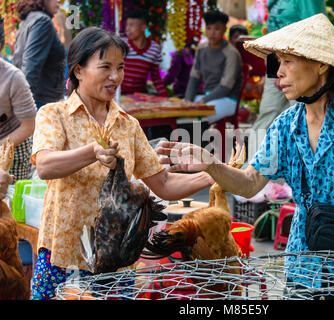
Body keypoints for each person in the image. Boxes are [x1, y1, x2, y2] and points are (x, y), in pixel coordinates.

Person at [157, 14, 334, 299]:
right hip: (306, 258)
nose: (279, 72)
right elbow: (250, 183)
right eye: (279, 62)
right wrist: (212, 163)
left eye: (288, 62)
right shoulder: (286, 124)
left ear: (321, 64)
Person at [30, 27, 214, 300]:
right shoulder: (54, 115)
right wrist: (91, 152)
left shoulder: (128, 125)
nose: (115, 77)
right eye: (105, 67)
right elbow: (44, 165)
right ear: (78, 70)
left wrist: (214, 175)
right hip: (63, 253)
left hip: (116, 257)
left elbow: (162, 183)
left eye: (120, 67)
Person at [252, 0, 327, 133]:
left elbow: (317, 30)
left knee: (301, 116)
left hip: (300, 64)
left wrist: (286, 67)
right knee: (268, 114)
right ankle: (254, 153)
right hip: (275, 59)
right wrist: (275, 67)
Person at [184, 10, 242, 124]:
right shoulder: (201, 49)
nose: (212, 33)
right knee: (177, 110)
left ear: (224, 29)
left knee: (196, 118)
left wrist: (203, 100)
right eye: (209, 28)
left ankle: (198, 141)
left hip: (228, 99)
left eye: (216, 29)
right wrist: (187, 100)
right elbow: (194, 77)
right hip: (207, 97)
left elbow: (226, 87)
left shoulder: (231, 53)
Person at [0, 14, 37, 181]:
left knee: (10, 201)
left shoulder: (13, 78)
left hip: (14, 148)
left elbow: (29, 126)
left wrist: (2, 148)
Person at [13, 0, 65, 109]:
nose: (59, 1)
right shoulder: (42, 22)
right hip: (41, 102)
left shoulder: (28, 21)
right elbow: (31, 66)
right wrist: (23, 106)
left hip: (36, 99)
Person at [121, 10, 167, 97]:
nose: (127, 28)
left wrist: (165, 97)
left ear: (143, 27)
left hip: (141, 95)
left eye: (131, 25)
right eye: (127, 25)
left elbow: (156, 77)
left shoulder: (155, 49)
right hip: (120, 95)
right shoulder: (121, 45)